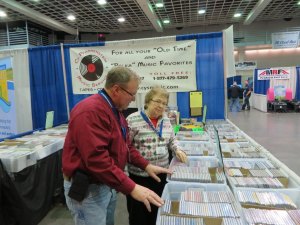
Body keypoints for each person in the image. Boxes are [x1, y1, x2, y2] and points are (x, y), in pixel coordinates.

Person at [62, 66, 172, 225]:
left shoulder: (115, 111)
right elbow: (97, 160)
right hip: (89, 191)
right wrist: (132, 188)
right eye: (132, 94)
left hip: (106, 184)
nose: (133, 99)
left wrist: (146, 165)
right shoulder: (90, 111)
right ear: (116, 90)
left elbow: (126, 146)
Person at [126, 86, 187, 225]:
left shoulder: (166, 120)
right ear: (147, 101)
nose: (161, 106)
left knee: (157, 212)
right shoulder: (132, 119)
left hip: (161, 177)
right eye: (157, 101)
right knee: (138, 216)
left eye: (164, 103)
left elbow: (172, 140)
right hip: (139, 178)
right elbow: (124, 148)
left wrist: (178, 149)